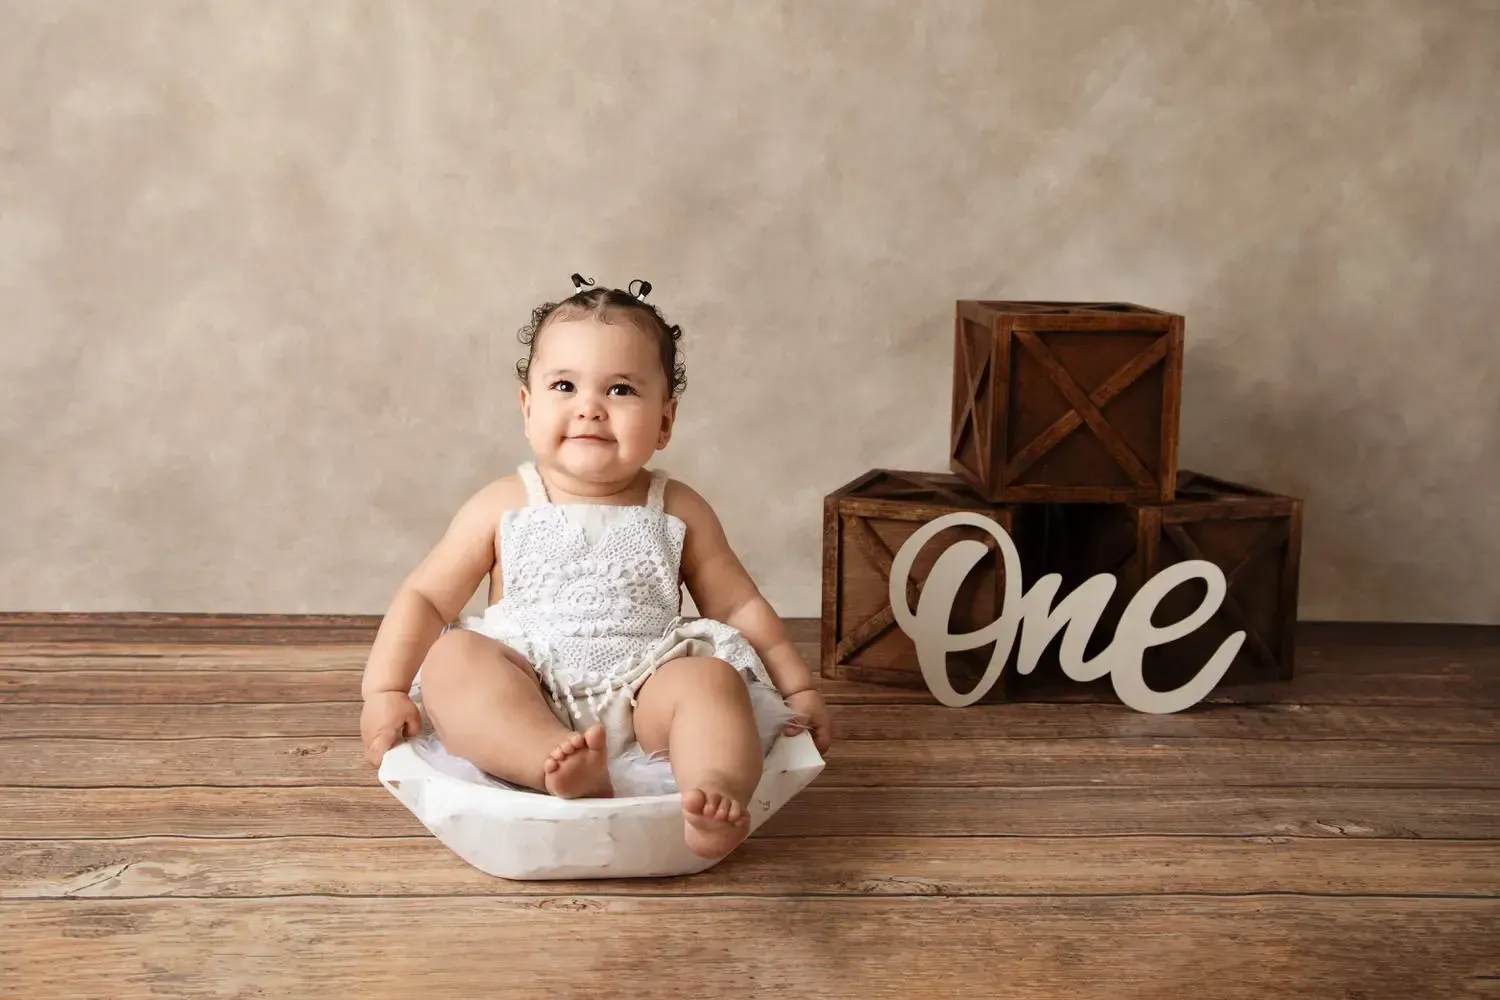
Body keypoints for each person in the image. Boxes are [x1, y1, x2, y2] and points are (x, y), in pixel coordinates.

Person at [359, 274, 832, 859]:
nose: (590, 408)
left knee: (713, 682)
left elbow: (737, 608)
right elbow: (427, 599)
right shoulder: (504, 502)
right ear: (528, 408)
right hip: (527, 680)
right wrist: (383, 689)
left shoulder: (678, 507)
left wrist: (799, 687)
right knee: (454, 660)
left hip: (647, 686)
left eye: (621, 390)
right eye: (564, 385)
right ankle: (547, 760)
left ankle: (714, 791)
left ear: (665, 421)